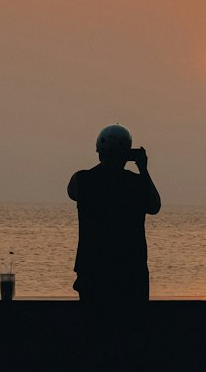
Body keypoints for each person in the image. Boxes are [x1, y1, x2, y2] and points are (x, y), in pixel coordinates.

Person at [67, 124, 161, 307]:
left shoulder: (82, 180)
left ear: (98, 151)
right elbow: (155, 206)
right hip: (131, 272)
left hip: (93, 271)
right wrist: (144, 170)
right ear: (127, 153)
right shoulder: (136, 184)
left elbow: (72, 193)